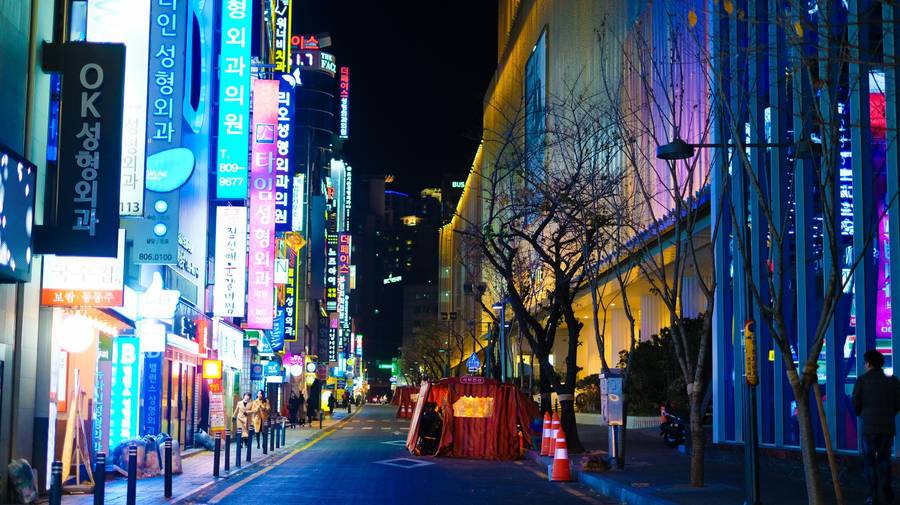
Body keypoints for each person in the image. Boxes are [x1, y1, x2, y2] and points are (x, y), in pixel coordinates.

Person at [852, 350, 900, 505]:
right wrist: (889, 414)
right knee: (884, 460)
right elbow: (898, 403)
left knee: (869, 462)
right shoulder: (892, 380)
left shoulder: (862, 380)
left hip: (868, 428)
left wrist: (863, 414)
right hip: (887, 427)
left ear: (868, 364)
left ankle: (873, 496)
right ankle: (886, 493)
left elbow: (856, 403)